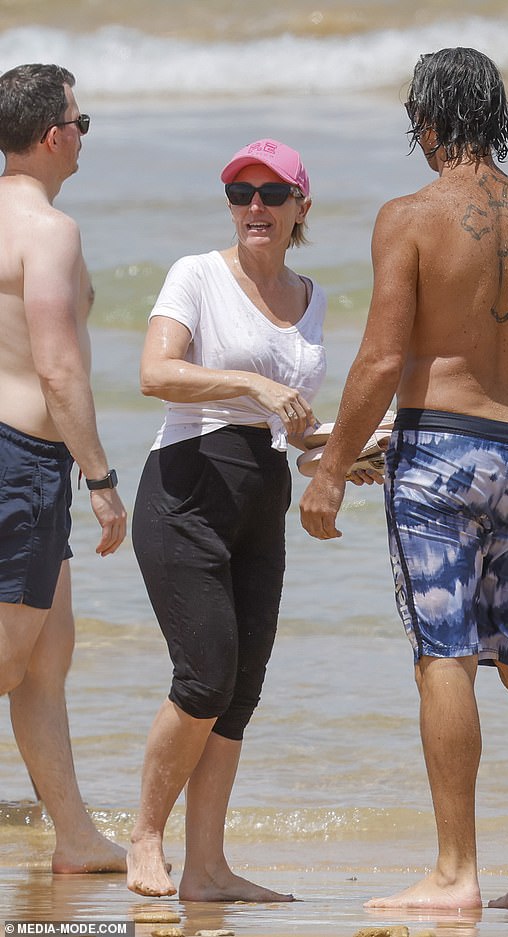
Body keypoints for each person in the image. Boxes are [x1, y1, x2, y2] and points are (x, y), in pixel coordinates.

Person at [300, 47, 508, 912]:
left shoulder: (412, 215)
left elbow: (383, 356)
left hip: (438, 458)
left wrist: (328, 468)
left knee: (446, 658)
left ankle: (455, 873)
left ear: (429, 123)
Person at [127, 139, 377, 900]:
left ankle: (207, 868)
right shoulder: (197, 275)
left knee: (239, 691)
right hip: (184, 492)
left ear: (302, 206)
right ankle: (145, 839)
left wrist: (338, 455)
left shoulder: (313, 297)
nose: (255, 207)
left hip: (261, 501)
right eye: (241, 192)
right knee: (203, 676)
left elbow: (291, 428)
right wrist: (250, 383)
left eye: (272, 193)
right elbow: (154, 372)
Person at [0, 64, 127, 872]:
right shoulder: (50, 231)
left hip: (19, 460)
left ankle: (76, 838)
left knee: (47, 659)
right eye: (82, 122)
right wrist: (103, 481)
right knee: (9, 657)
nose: (84, 134)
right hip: (23, 462)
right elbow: (57, 367)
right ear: (55, 135)